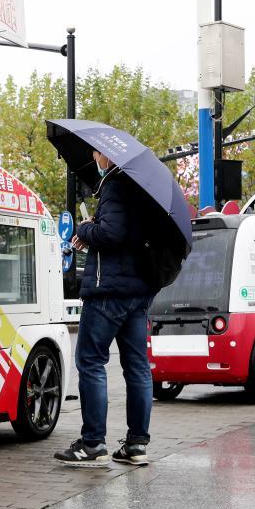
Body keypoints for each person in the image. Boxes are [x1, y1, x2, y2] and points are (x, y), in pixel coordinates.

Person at [54, 150, 157, 467]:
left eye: (95, 153)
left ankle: (92, 442)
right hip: (138, 292)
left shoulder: (115, 185)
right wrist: (98, 227)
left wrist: (86, 228)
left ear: (105, 156)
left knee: (90, 361)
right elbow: (124, 234)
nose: (93, 157)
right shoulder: (143, 188)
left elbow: (112, 234)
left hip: (109, 291)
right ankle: (136, 444)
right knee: (137, 367)